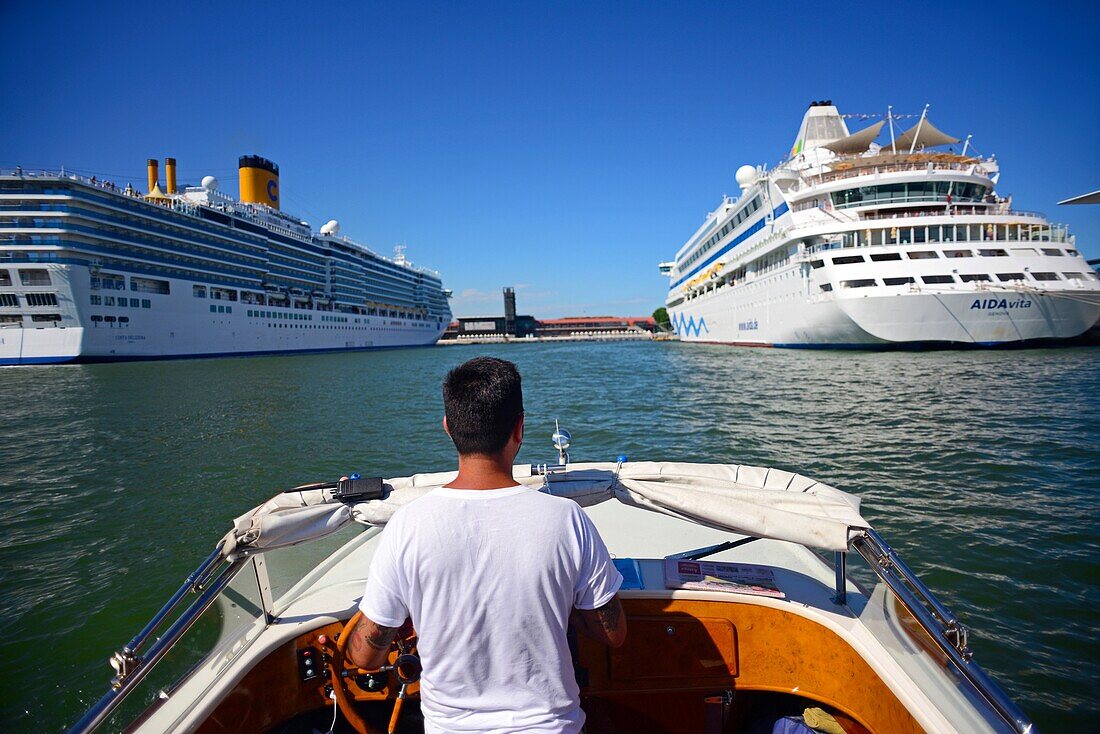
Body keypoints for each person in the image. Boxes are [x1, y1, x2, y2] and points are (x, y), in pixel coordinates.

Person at [348, 356, 626, 733]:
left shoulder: (407, 526)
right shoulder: (567, 519)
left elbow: (365, 654)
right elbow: (613, 633)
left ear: (448, 428)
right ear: (520, 429)